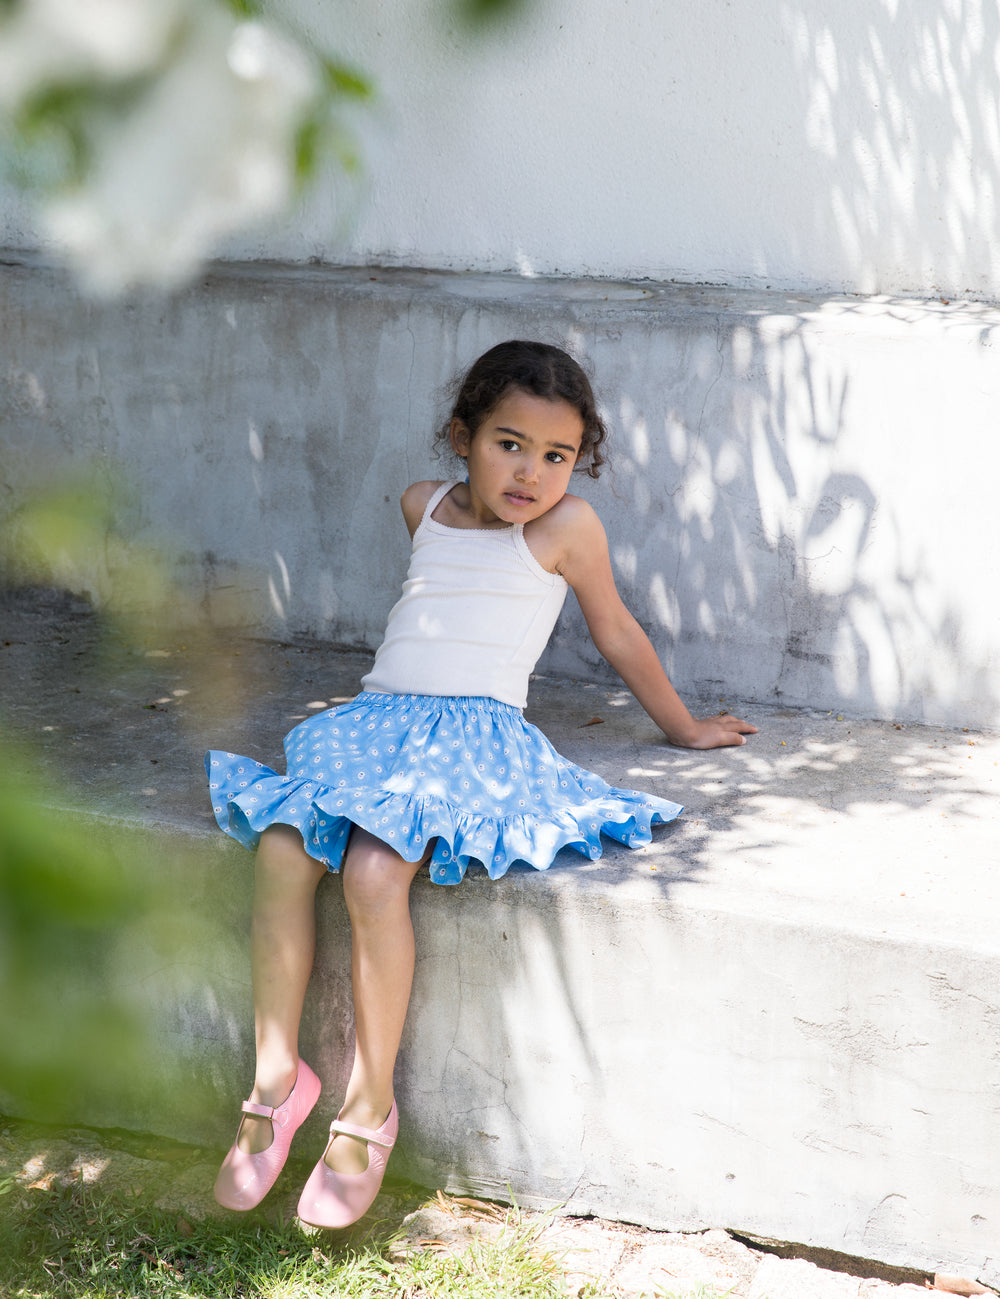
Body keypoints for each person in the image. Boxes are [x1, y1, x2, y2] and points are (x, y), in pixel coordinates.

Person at [206, 339, 757, 1229]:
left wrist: (684, 727)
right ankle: (277, 1075)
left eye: (557, 455)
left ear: (577, 466)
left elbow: (614, 630)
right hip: (374, 726)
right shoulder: (421, 506)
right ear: (461, 435)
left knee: (377, 872)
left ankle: (368, 1102)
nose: (531, 472)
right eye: (510, 443)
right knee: (280, 847)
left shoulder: (565, 530)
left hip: (471, 739)